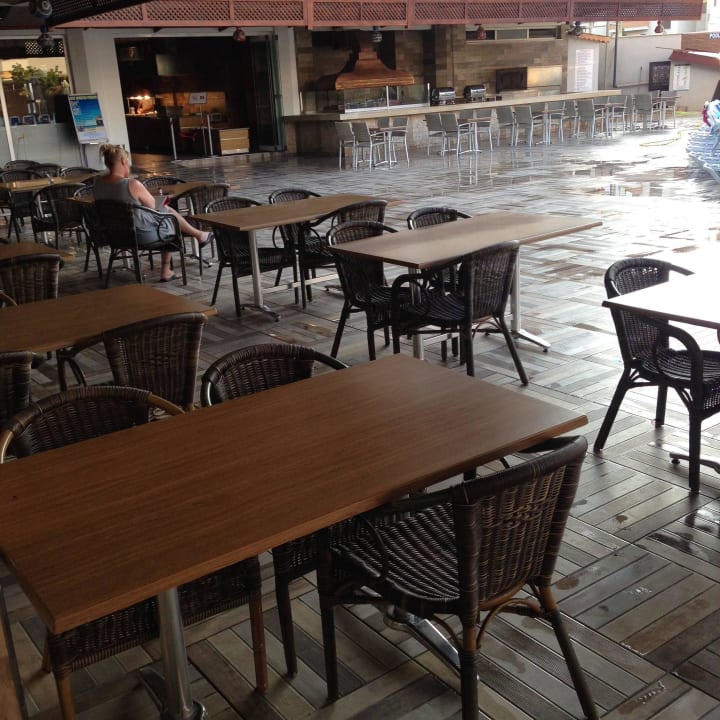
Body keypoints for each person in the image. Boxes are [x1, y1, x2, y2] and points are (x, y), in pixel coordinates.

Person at [94, 144, 211, 282]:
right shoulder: (132, 184)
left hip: (113, 236)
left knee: (167, 213)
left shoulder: (97, 183)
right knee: (169, 216)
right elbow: (153, 206)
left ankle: (199, 235)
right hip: (139, 236)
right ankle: (167, 269)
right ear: (123, 161)